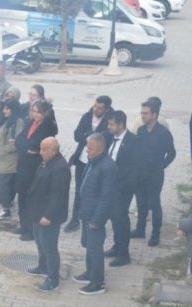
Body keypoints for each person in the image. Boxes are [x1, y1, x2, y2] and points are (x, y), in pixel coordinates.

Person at [73, 133, 117, 296]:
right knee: (88, 246)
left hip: (94, 216)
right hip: (87, 213)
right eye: (86, 146)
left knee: (95, 248)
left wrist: (97, 220)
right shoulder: (93, 162)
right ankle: (89, 273)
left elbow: (107, 197)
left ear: (100, 148)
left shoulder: (107, 167)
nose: (87, 150)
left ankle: (97, 283)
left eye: (90, 147)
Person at [25, 137, 71, 292]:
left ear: (53, 150)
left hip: (48, 216)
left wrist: (48, 216)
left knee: (49, 246)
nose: (40, 152)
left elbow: (58, 196)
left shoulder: (60, 168)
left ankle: (53, 278)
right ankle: (42, 266)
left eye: (44, 149)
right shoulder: (47, 161)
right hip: (37, 212)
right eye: (40, 148)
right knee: (39, 241)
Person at [64, 96, 113, 233]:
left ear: (106, 109)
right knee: (79, 188)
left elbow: (105, 138)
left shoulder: (109, 120)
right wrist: (90, 136)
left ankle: (90, 217)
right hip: (82, 159)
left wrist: (87, 135)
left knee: (92, 190)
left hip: (96, 161)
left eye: (100, 107)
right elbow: (76, 135)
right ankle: (75, 219)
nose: (96, 109)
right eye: (95, 106)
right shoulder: (87, 116)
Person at [131, 98, 176, 246]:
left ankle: (155, 234)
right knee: (141, 202)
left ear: (155, 115)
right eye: (141, 112)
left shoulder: (163, 133)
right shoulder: (141, 130)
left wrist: (161, 166)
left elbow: (172, 153)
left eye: (146, 113)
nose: (142, 116)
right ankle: (140, 229)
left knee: (154, 203)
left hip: (155, 175)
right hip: (140, 173)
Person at [104, 111, 144, 267]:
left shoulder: (134, 142)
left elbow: (135, 168)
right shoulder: (108, 137)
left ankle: (123, 254)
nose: (109, 127)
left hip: (123, 188)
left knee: (121, 219)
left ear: (121, 124)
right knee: (114, 219)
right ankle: (117, 246)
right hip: (109, 186)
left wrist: (124, 185)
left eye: (112, 124)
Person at [14, 100, 58, 241]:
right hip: (23, 164)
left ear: (44, 113)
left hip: (35, 167)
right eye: (33, 111)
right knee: (22, 196)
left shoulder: (47, 126)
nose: (34, 114)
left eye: (37, 112)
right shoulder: (29, 123)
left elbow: (36, 144)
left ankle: (31, 230)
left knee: (31, 199)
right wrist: (27, 148)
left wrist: (30, 148)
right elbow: (18, 140)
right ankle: (23, 224)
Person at [0, 98, 25, 220]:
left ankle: (6, 210)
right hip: (1, 159)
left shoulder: (18, 123)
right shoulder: (6, 121)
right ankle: (7, 206)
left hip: (9, 161)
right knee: (3, 185)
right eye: (4, 108)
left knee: (3, 185)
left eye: (7, 108)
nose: (4, 111)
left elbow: (16, 142)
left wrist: (2, 149)